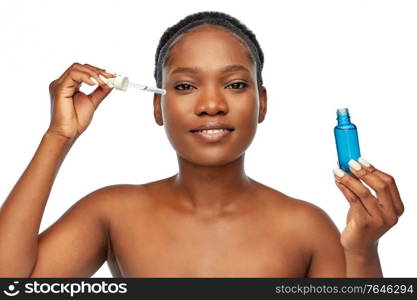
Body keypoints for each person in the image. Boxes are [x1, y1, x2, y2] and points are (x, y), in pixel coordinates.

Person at [0, 11, 404, 278]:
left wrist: (363, 249)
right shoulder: (111, 212)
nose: (212, 105)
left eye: (235, 84)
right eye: (186, 86)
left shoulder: (307, 228)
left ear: (261, 103)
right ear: (158, 106)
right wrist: (58, 137)